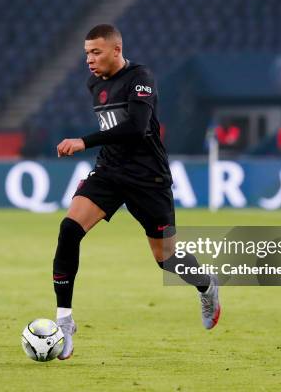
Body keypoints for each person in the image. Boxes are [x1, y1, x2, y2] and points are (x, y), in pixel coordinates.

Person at [52, 24, 220, 360]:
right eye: (86, 53)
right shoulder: (93, 83)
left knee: (166, 259)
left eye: (96, 52)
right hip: (110, 173)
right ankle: (64, 321)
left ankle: (206, 285)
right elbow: (114, 132)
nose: (89, 59)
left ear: (116, 50)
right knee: (69, 231)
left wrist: (83, 141)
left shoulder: (141, 78)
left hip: (148, 178)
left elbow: (136, 128)